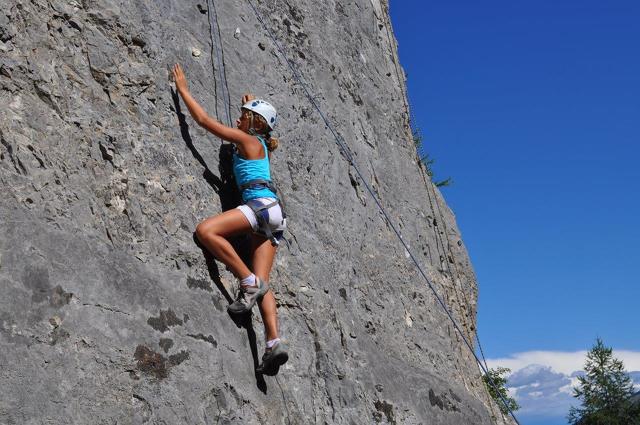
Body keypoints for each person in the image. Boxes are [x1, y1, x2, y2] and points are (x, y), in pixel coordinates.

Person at [172, 63, 288, 374]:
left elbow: (204, 120)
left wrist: (183, 90)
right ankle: (273, 342)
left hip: (259, 206)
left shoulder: (248, 140)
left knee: (206, 232)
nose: (238, 117)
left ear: (253, 122)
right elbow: (252, 126)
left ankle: (245, 281)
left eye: (244, 115)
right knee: (265, 282)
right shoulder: (259, 144)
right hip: (274, 214)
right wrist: (248, 104)